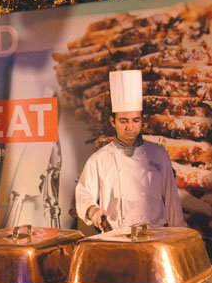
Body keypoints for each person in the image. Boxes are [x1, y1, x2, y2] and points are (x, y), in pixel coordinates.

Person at [76, 70, 185, 231]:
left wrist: (180, 234)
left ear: (142, 120)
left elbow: (171, 201)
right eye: (123, 121)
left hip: (154, 237)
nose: (130, 127)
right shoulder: (99, 159)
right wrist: (93, 210)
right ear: (113, 121)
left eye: (136, 120)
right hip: (116, 238)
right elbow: (83, 193)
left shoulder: (158, 154)